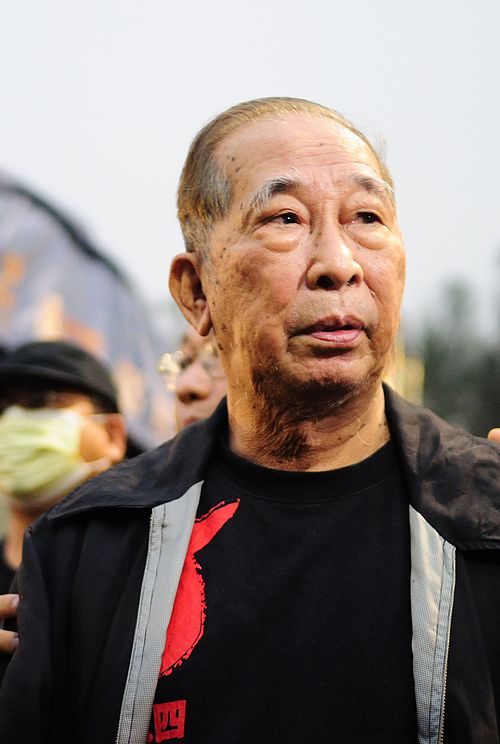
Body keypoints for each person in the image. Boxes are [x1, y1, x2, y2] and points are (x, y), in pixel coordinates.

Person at [1, 97, 500, 744]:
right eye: (285, 218)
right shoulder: (89, 548)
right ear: (196, 293)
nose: (338, 264)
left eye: (367, 218)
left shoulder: (484, 522)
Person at [0, 340, 128, 653]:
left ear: (112, 435)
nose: (14, 420)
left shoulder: (145, 581)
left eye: (44, 401)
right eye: (2, 408)